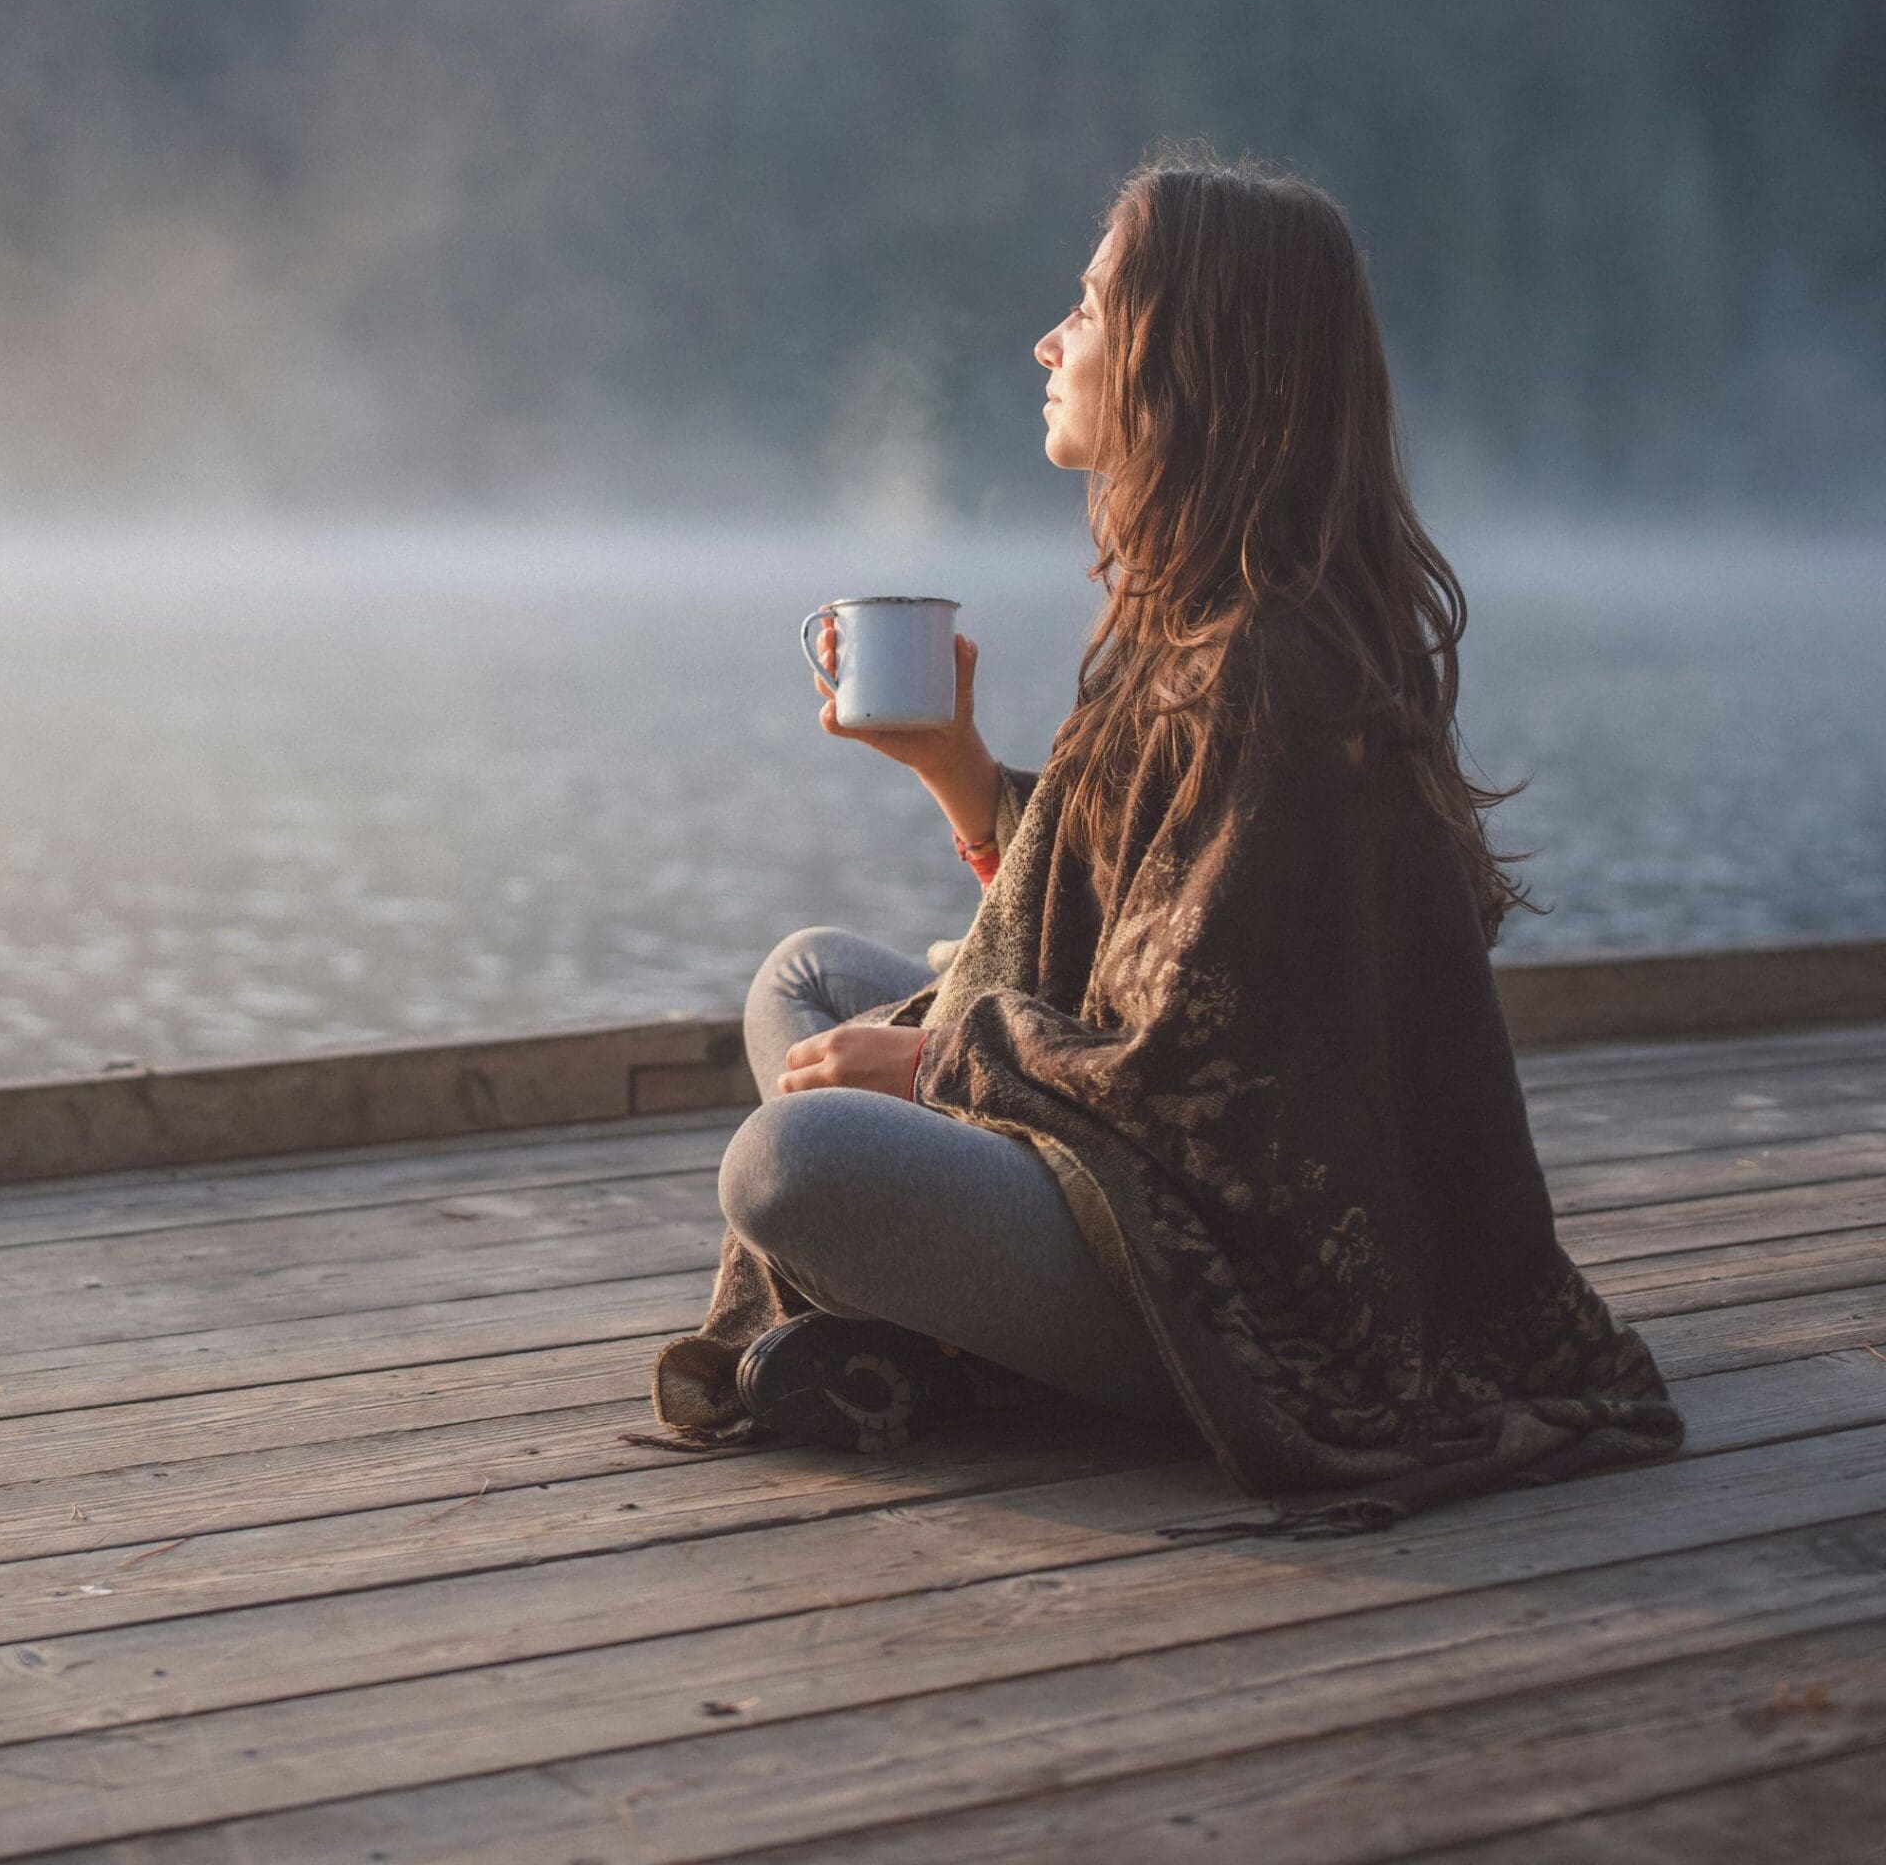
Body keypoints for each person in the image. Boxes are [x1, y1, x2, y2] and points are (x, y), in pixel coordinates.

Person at [649, 147, 1687, 1536]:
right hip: (1130, 1175)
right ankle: (927, 1327)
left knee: (794, 1167)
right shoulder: (1199, 620)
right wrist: (957, 770)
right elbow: (1123, 920)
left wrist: (942, 1060)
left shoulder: (1272, 665)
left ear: (1187, 354)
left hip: (1245, 1288)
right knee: (811, 978)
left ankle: (953, 1344)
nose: (1049, 338)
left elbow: (1208, 1079)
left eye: (1085, 306)